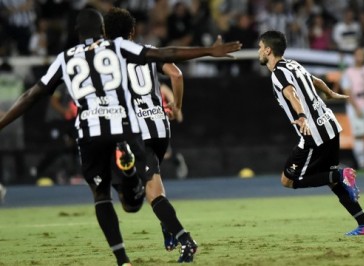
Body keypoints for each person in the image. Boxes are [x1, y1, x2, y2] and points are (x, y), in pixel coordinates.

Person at [0, 8, 241, 266]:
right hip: (128, 126)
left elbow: (31, 95)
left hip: (90, 131)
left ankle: (122, 258)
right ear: (103, 31)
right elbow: (166, 55)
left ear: (77, 32)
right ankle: (135, 183)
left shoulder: (65, 57)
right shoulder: (117, 48)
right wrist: (207, 51)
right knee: (146, 192)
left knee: (104, 196)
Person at [257, 30, 364, 236]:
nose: (258, 51)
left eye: (260, 47)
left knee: (288, 180)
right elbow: (315, 80)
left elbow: (291, 93)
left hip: (314, 134)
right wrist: (329, 93)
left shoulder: (278, 73)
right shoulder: (293, 64)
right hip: (330, 126)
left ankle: (340, 173)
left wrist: (302, 116)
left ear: (268, 50)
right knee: (331, 182)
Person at [103, 7, 194, 262]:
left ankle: (185, 239)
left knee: (149, 192)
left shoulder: (107, 58)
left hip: (136, 130)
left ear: (105, 33)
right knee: (154, 183)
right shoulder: (148, 51)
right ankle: (168, 225)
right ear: (132, 31)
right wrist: (176, 106)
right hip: (160, 126)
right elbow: (176, 73)